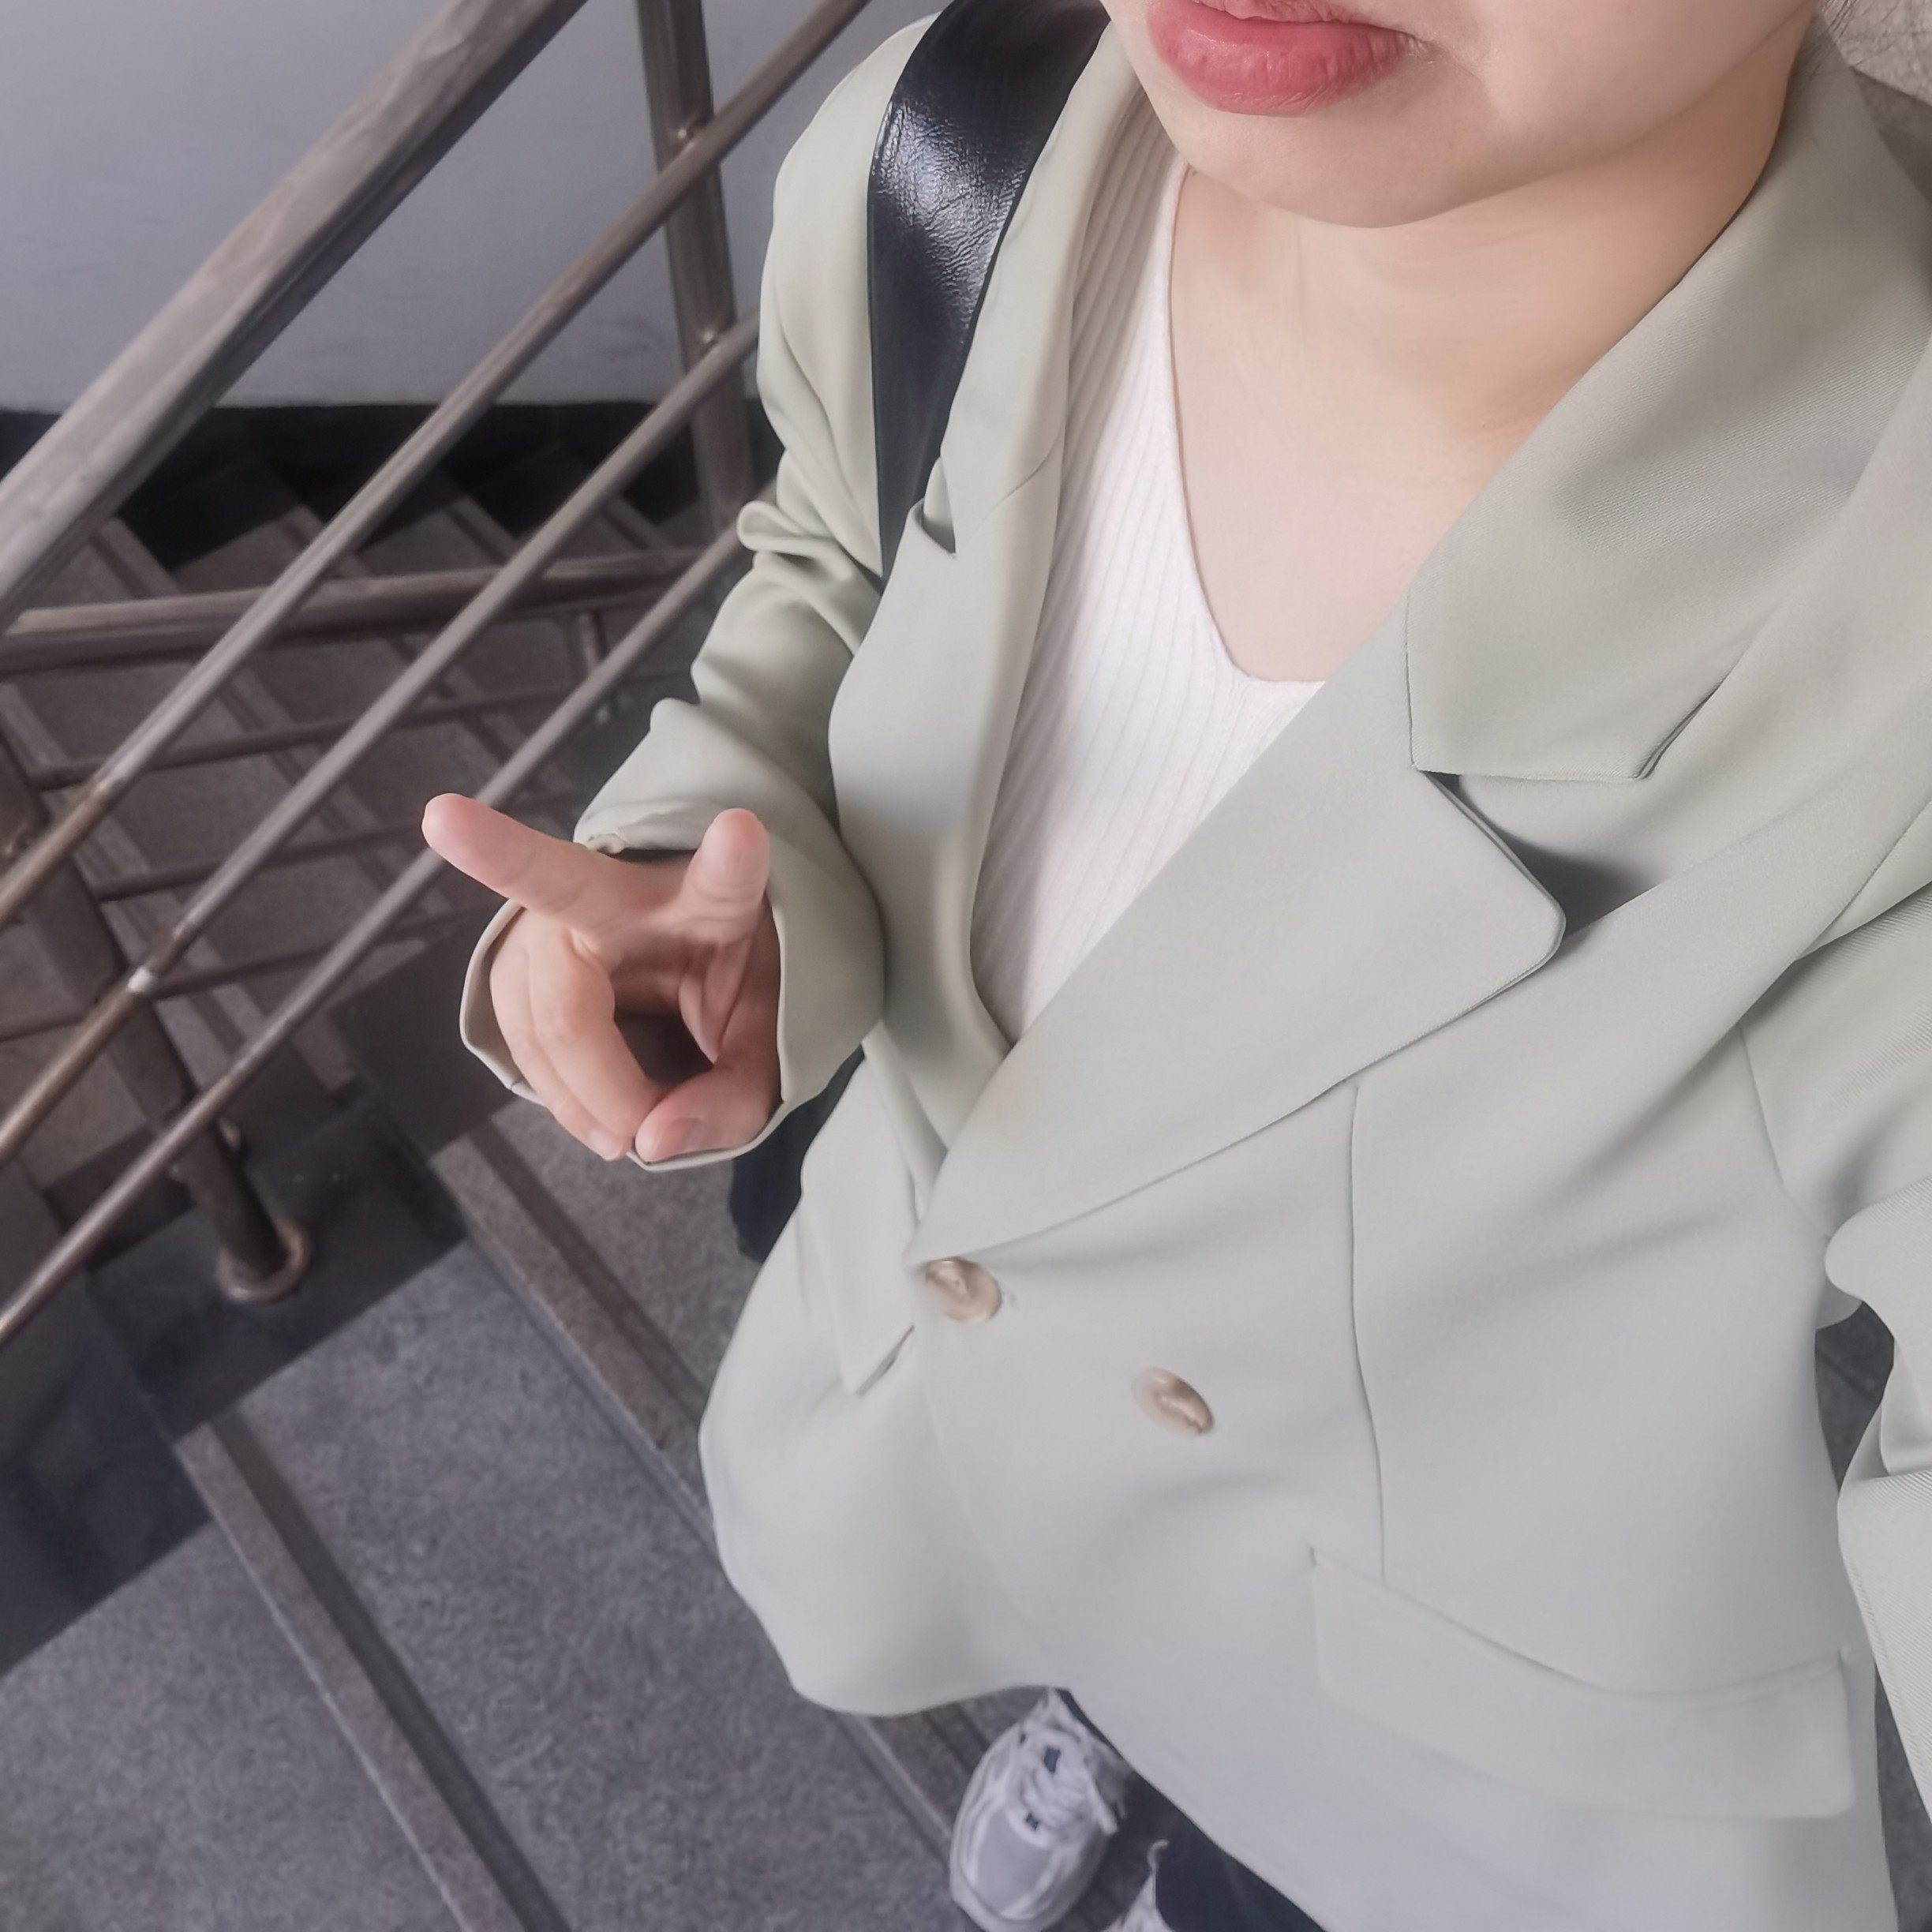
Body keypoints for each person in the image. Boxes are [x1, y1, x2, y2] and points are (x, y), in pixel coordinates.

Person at [423, 1, 1932, 1926]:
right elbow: (839, 556)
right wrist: (717, 857)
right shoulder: (956, 149)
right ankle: (1106, 1711)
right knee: (1089, 1617)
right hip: (946, 1407)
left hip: (1419, 1740)